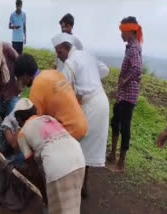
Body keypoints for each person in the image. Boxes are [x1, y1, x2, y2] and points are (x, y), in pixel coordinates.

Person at [52, 33, 110, 197]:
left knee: (76, 144)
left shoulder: (70, 63)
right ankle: (83, 185)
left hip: (90, 106)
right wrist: (90, 82)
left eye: (59, 52)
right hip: (102, 101)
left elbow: (63, 92)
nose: (59, 55)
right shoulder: (86, 55)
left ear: (66, 47)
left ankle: (75, 186)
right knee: (87, 148)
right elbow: (104, 70)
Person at [14, 98, 85, 214]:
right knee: (73, 206)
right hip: (78, 158)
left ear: (19, 119)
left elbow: (34, 170)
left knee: (57, 209)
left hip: (57, 167)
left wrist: (45, 197)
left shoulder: (22, 133)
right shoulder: (49, 118)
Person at [14, 54, 87, 141]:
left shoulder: (37, 87)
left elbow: (33, 125)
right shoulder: (53, 73)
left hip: (69, 132)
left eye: (20, 79)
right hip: (82, 124)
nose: (22, 83)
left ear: (25, 75)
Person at [107, 16, 143, 172]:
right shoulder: (130, 46)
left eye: (122, 31)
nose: (121, 34)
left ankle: (121, 163)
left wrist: (124, 82)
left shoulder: (134, 48)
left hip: (129, 95)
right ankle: (113, 155)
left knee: (125, 127)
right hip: (123, 93)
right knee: (115, 121)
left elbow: (137, 69)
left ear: (130, 31)